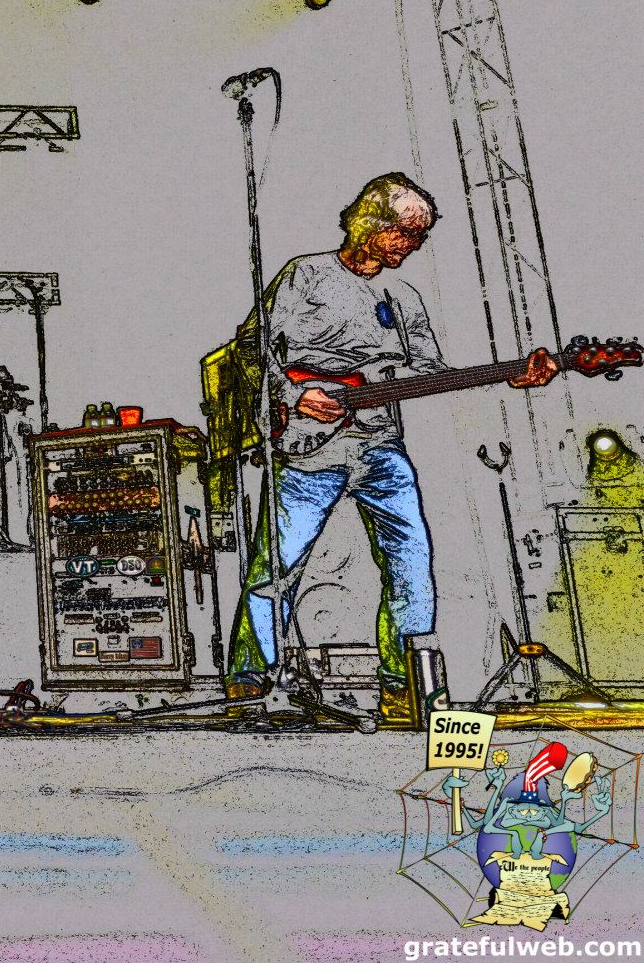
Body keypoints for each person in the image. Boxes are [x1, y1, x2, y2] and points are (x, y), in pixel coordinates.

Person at [226, 173, 556, 722]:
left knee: (411, 563)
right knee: (278, 565)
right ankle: (251, 676)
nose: (413, 244)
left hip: (379, 445)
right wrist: (294, 394)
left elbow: (430, 372)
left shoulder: (403, 298)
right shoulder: (305, 274)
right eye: (405, 232)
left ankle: (405, 682)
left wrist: (510, 375)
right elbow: (249, 347)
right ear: (369, 224)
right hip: (308, 447)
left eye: (421, 236)